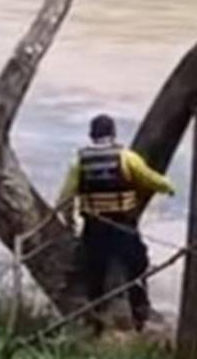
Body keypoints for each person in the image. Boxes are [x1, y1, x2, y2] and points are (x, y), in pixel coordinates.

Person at [57, 114, 175, 332]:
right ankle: (140, 313)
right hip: (122, 226)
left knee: (94, 271)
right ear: (113, 134)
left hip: (94, 227)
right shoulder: (126, 158)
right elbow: (149, 178)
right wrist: (168, 186)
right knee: (137, 266)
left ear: (92, 135)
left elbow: (65, 196)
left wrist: (68, 219)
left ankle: (96, 318)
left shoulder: (79, 162)